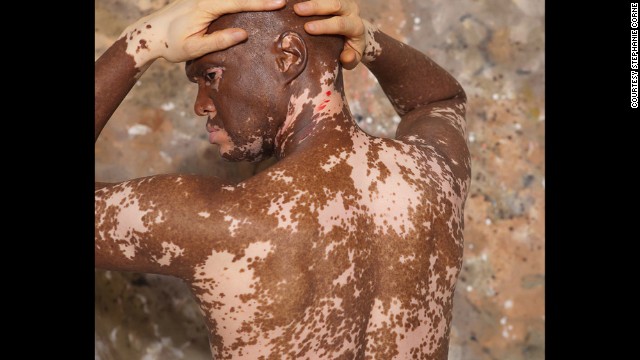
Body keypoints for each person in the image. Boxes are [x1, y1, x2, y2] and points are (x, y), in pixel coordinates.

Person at [94, 0, 471, 358]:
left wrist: (144, 39)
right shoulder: (431, 177)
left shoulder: (225, 221)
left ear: (288, 57)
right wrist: (366, 40)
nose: (201, 104)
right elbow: (441, 100)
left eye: (211, 76)